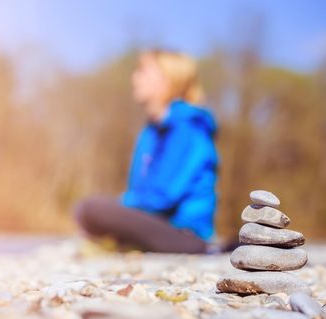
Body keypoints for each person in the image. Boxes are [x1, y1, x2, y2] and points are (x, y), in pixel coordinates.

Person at [74, 50, 218, 254]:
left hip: (185, 235)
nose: (134, 78)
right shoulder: (150, 132)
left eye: (142, 71)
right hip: (158, 224)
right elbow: (141, 189)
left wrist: (120, 206)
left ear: (169, 79)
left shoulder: (188, 127)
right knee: (88, 210)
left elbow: (163, 196)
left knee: (92, 208)